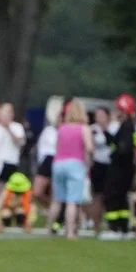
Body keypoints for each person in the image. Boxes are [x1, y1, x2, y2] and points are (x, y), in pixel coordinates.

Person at [46, 99, 94, 239]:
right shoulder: (83, 128)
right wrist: (88, 162)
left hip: (59, 163)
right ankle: (70, 231)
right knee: (72, 200)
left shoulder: (62, 128)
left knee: (57, 199)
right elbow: (89, 147)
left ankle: (48, 228)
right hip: (75, 164)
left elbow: (57, 147)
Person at [101, 93, 136, 239]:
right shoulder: (125, 126)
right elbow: (115, 143)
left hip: (120, 168)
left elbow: (123, 148)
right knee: (121, 198)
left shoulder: (127, 127)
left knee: (112, 196)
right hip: (124, 167)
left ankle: (114, 228)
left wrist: (114, 153)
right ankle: (122, 227)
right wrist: (105, 132)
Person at [0, 103, 25, 228]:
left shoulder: (17, 127)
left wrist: (8, 128)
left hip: (9, 162)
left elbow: (18, 141)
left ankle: (4, 217)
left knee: (7, 193)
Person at [32, 99, 60, 211]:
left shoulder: (65, 131)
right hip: (46, 161)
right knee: (37, 192)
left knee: (55, 192)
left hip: (58, 160)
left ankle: (56, 213)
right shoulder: (48, 130)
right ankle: (52, 209)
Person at [90, 107, 113, 233]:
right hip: (98, 164)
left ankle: (111, 224)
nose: (99, 118)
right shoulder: (93, 129)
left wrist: (105, 129)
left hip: (111, 164)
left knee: (109, 196)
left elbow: (113, 142)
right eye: (97, 115)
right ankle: (96, 225)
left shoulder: (114, 127)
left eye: (102, 115)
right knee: (97, 195)